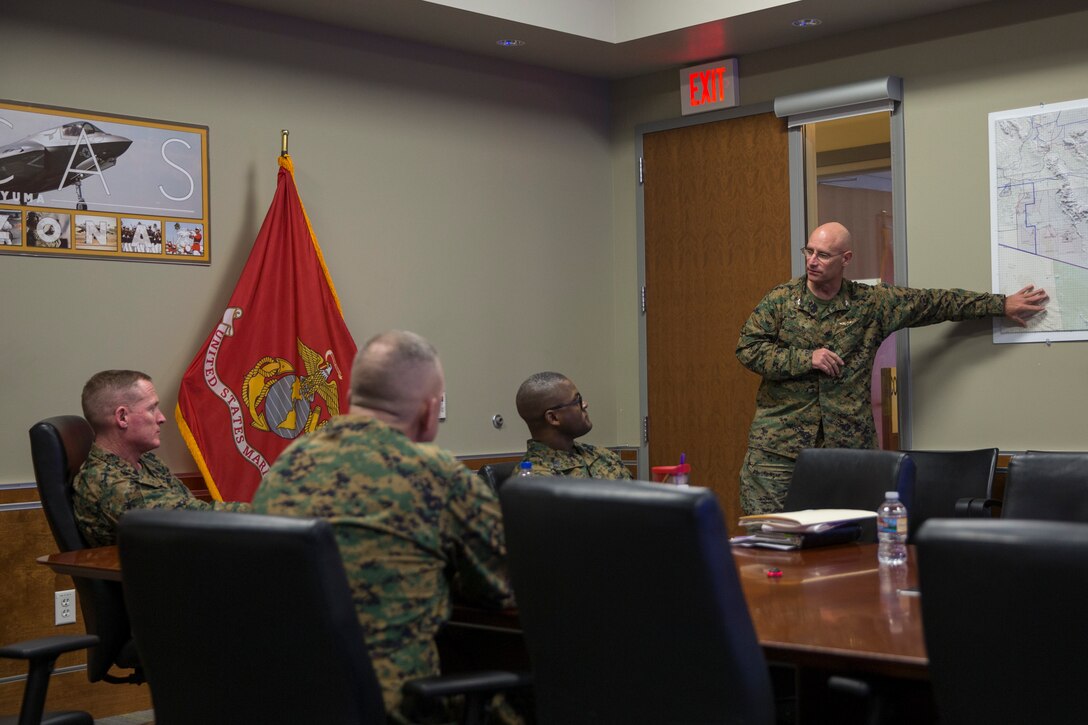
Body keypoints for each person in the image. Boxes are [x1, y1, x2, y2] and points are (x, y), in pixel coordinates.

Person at [252, 330, 514, 724]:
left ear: (351, 399)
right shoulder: (434, 471)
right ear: (429, 410)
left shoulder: (287, 465)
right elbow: (502, 587)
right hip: (396, 706)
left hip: (287, 697)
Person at [736, 221, 1049, 515]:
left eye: (823, 255)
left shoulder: (871, 304)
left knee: (849, 549)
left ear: (846, 259)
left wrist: (1000, 305)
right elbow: (747, 348)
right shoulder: (781, 301)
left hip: (847, 452)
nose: (812, 261)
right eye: (809, 252)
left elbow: (935, 303)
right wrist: (806, 358)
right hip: (778, 455)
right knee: (771, 543)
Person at [73, 370, 249, 547]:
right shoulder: (108, 484)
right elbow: (195, 519)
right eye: (151, 408)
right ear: (122, 417)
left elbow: (189, 509)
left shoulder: (146, 462)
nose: (162, 418)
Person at [515, 371, 632, 479]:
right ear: (553, 418)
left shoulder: (604, 456)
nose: (585, 404)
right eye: (577, 401)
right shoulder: (535, 478)